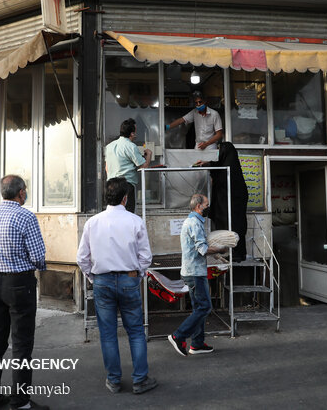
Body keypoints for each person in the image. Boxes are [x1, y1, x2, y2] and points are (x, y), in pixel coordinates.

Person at [76, 177, 157, 394]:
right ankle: (140, 380)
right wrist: (136, 276)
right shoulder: (135, 221)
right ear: (125, 198)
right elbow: (146, 257)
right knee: (136, 332)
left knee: (108, 333)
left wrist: (94, 278)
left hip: (102, 281)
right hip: (128, 279)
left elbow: (82, 258)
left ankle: (113, 380)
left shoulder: (92, 223)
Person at [0, 175, 48, 410]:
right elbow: (38, 256)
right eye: (25, 190)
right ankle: (20, 402)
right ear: (21, 193)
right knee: (22, 343)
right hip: (20, 284)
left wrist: (0, 262)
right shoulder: (25, 216)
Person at [168, 194, 225, 356]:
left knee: (198, 308)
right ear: (199, 206)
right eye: (207, 204)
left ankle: (197, 344)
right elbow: (203, 249)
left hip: (192, 271)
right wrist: (221, 248)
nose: (208, 207)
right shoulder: (194, 223)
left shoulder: (193, 222)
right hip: (195, 273)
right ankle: (178, 336)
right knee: (205, 307)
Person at [196, 142, 248, 261]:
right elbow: (218, 167)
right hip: (225, 207)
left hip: (233, 209)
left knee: (235, 228)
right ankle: (229, 252)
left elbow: (222, 176)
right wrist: (207, 164)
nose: (218, 153)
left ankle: (235, 254)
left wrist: (211, 169)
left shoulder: (231, 172)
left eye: (220, 150)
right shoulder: (228, 166)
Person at [105, 118, 153, 213]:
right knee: (127, 213)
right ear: (132, 133)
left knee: (113, 213)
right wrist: (149, 154)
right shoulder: (131, 146)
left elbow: (107, 168)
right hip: (126, 184)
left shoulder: (109, 146)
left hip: (111, 185)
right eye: (135, 131)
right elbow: (143, 166)